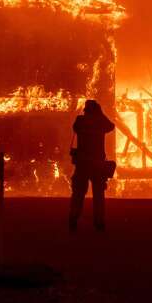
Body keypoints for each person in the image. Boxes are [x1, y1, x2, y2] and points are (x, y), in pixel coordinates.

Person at [68, 99, 115, 232]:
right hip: (97, 163)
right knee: (98, 195)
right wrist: (101, 114)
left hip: (82, 163)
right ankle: (99, 223)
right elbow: (111, 126)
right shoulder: (100, 122)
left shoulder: (80, 121)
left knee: (78, 194)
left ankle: (73, 219)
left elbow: (75, 128)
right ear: (97, 111)